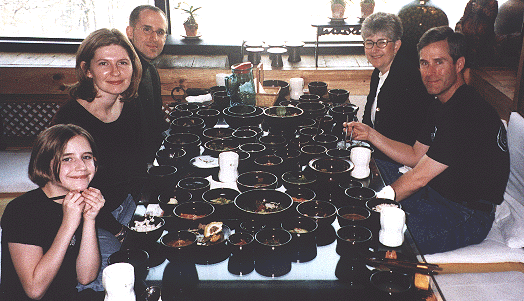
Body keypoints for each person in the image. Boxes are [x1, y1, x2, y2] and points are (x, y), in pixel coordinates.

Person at [345, 26, 510, 254]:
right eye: (424, 63)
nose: (430, 72)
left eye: (439, 62)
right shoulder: (441, 102)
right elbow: (415, 156)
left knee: (373, 237)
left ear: (459, 64)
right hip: (436, 194)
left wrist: (374, 203)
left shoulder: (466, 112)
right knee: (354, 170)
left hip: (465, 214)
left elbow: (419, 177)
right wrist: (370, 134)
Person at [51, 28, 149, 291]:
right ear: (87, 70)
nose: (116, 72)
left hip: (126, 204)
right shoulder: (70, 119)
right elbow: (70, 189)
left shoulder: (130, 104)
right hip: (89, 217)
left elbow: (138, 165)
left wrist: (149, 206)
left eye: (123, 63)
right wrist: (117, 229)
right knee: (116, 279)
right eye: (104, 63)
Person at [0, 124, 105, 300]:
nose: (81, 166)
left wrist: (89, 219)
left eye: (86, 157)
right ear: (45, 164)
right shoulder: (22, 210)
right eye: (67, 159)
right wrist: (68, 224)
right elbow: (34, 290)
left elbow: (86, 277)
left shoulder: (74, 200)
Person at [359, 12, 432, 185]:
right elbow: (369, 122)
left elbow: (409, 146)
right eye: (369, 43)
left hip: (403, 169)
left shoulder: (410, 80)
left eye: (382, 42)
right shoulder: (378, 74)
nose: (374, 49)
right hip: (381, 158)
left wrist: (368, 136)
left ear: (397, 45)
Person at [126, 5, 169, 162]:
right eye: (146, 29)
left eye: (160, 32)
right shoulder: (123, 74)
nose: (154, 38)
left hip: (151, 157)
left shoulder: (150, 70)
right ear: (130, 32)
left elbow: (155, 123)